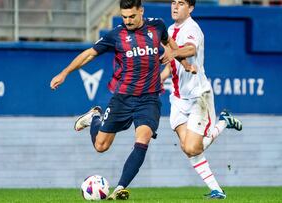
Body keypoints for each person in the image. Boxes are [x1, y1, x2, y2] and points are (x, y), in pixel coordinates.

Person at [50, 0, 186, 200]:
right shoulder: (116, 35)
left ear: (141, 11)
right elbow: (89, 54)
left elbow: (171, 45)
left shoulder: (157, 26)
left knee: (143, 138)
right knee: (101, 146)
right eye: (124, 17)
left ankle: (119, 188)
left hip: (149, 99)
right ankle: (95, 117)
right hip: (123, 98)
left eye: (132, 16)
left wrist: (183, 61)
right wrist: (64, 73)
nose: (128, 21)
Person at [160, 0, 243, 199]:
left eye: (181, 3)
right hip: (178, 99)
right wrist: (160, 79)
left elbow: (190, 50)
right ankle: (217, 190)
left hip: (198, 96)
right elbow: (173, 63)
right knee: (187, 148)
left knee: (192, 147)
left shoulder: (192, 28)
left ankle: (223, 121)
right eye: (173, 2)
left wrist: (172, 52)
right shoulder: (171, 29)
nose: (175, 6)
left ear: (191, 8)